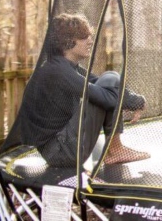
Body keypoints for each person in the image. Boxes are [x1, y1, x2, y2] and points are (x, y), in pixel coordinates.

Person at [16, 13, 149, 168]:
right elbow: (102, 96)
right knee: (105, 87)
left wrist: (135, 100)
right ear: (69, 41)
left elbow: (106, 83)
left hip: (63, 144)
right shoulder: (57, 70)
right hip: (60, 151)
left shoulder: (64, 66)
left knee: (110, 77)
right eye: (84, 37)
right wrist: (137, 103)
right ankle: (115, 150)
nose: (90, 41)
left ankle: (115, 149)